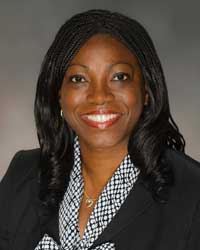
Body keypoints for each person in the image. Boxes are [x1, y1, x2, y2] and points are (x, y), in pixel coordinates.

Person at [0, 9, 200, 250]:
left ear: (146, 91)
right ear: (58, 94)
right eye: (78, 79)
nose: (99, 96)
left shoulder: (193, 195)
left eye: (119, 77)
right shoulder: (24, 175)